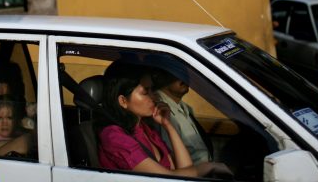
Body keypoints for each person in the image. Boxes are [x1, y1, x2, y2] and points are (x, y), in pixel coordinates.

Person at [96, 61, 232, 178]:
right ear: (123, 101)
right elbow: (166, 178)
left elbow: (186, 168)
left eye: (152, 90)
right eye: (145, 92)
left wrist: (168, 125)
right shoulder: (114, 137)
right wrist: (210, 167)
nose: (154, 97)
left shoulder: (145, 129)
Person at [151, 67, 212, 164]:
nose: (183, 77)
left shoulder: (184, 106)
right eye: (176, 72)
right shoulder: (161, 110)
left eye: (185, 73)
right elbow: (172, 157)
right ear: (161, 77)